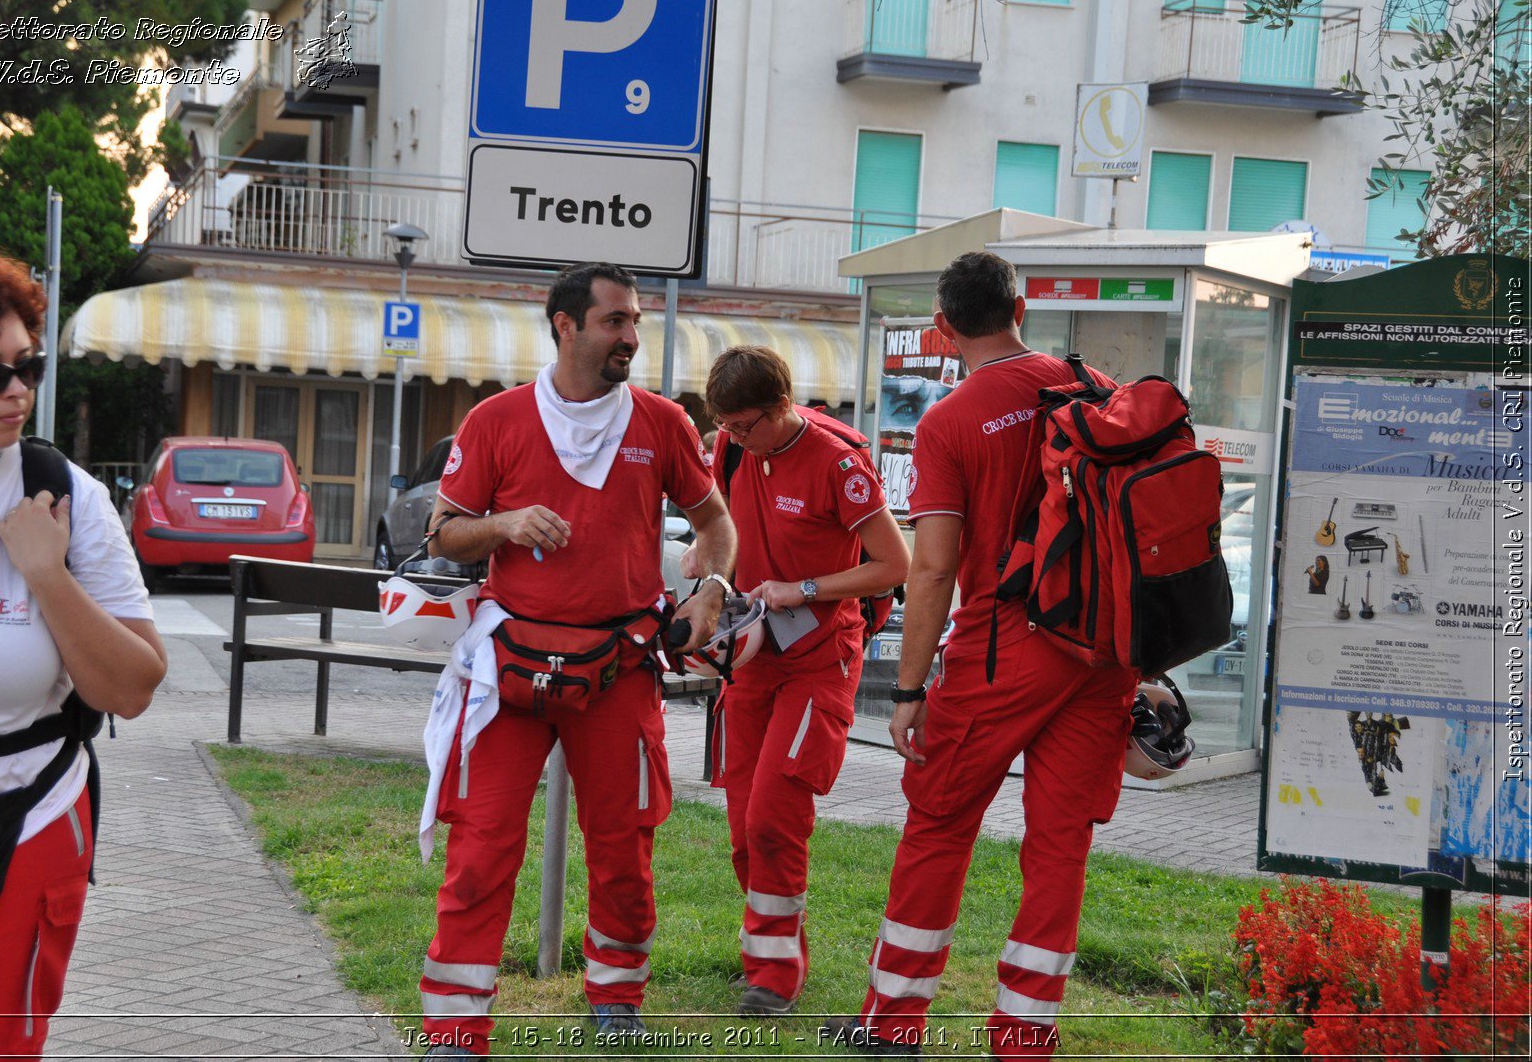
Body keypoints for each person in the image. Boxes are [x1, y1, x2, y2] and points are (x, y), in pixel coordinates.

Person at [415, 262, 736, 1057]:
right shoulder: (496, 420)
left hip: (620, 667)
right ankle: (456, 1024)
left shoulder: (661, 422)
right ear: (565, 325)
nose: (631, 335)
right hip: (510, 671)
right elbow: (444, 534)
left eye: (633, 322)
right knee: (482, 844)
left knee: (625, 841)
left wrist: (712, 589)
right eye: (615, 321)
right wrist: (504, 524)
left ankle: (617, 996)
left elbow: (715, 523)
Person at [824, 252, 1137, 1059]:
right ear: (1021, 307)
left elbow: (931, 568)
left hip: (1005, 648)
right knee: (1060, 842)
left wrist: (909, 687)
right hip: (1103, 652)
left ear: (942, 329)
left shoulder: (952, 419)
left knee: (938, 822)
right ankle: (1025, 1036)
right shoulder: (1097, 385)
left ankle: (892, 1025)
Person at [0, 242, 167, 1060]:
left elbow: (134, 686)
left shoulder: (63, 494)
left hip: (18, 820)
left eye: (27, 366)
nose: (19, 392)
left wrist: (48, 576)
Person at [687, 345, 908, 1016]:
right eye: (725, 427)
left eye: (745, 426)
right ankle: (769, 953)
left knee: (775, 813)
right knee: (742, 825)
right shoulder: (730, 447)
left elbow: (894, 564)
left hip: (820, 656)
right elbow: (712, 532)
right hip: (751, 656)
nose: (735, 439)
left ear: (782, 406)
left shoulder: (839, 464)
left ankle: (776, 978)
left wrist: (802, 588)